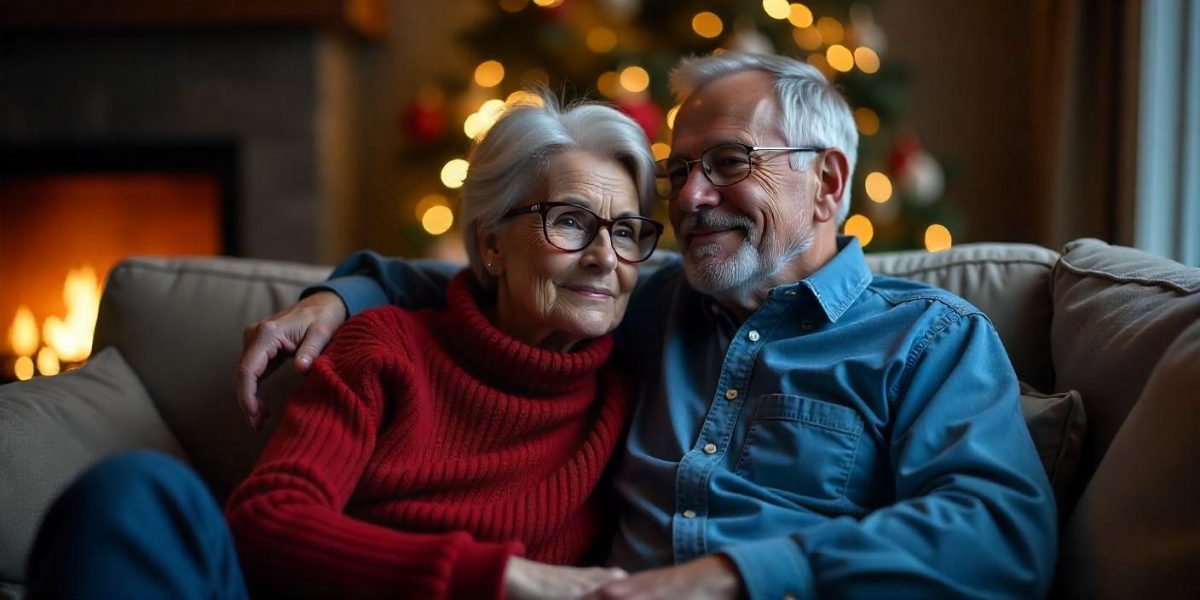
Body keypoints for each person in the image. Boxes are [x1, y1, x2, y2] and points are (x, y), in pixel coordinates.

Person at [238, 53, 1058, 598]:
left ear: (828, 183)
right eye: (679, 171)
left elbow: (1002, 534)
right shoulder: (644, 299)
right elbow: (506, 277)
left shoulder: (927, 339)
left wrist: (737, 576)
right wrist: (343, 294)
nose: (691, 197)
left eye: (729, 162)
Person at [26, 93, 665, 600]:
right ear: (492, 243)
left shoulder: (634, 395)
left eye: (627, 231)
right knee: (132, 492)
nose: (606, 257)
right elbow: (268, 519)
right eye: (570, 222)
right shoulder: (386, 347)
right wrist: (499, 576)